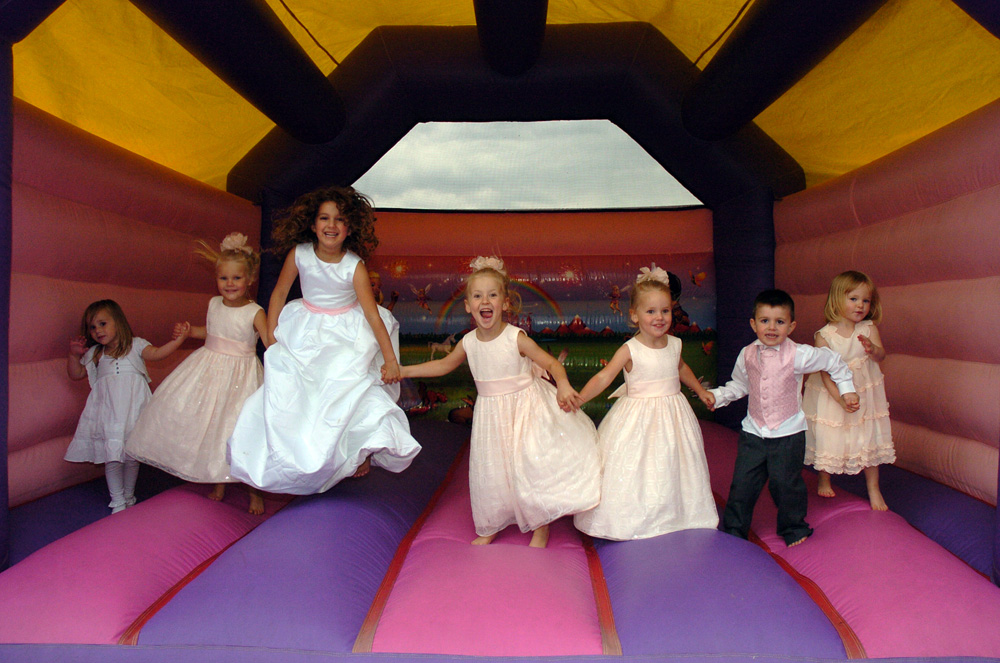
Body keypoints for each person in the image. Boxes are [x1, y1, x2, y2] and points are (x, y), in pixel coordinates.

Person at [228, 186, 419, 494]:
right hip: (306, 330)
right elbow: (279, 292)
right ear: (312, 224)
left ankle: (359, 449)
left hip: (345, 334)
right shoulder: (300, 254)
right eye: (324, 218)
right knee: (303, 394)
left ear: (350, 228)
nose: (331, 225)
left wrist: (390, 360)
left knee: (348, 391)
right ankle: (298, 454)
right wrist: (272, 336)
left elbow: (372, 316)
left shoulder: (354, 266)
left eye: (340, 219)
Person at [400, 257, 601, 548]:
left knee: (529, 465)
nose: (485, 301)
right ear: (468, 305)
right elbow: (443, 365)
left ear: (505, 303)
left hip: (526, 410)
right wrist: (404, 371)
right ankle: (492, 522)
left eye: (492, 295)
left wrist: (564, 385)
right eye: (477, 296)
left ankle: (540, 526)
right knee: (492, 470)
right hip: (491, 415)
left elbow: (551, 364)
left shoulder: (515, 338)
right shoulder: (469, 342)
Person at [126, 233, 270, 514]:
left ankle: (255, 491)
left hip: (241, 377)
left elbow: (268, 340)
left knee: (239, 430)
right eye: (224, 278)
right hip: (209, 370)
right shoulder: (214, 304)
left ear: (250, 279)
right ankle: (216, 480)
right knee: (213, 426)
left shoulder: (255, 312)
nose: (230, 284)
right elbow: (213, 332)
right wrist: (191, 331)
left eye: (236, 278)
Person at [573, 265, 719, 540]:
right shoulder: (630, 349)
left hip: (673, 415)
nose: (659, 317)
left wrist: (700, 390)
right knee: (639, 466)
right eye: (650, 311)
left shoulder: (674, 344)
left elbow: (681, 368)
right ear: (634, 315)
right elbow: (605, 376)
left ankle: (676, 513)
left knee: (673, 462)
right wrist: (579, 399)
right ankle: (637, 515)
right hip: (638, 418)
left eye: (665, 311)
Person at [705, 289, 858, 546]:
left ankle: (794, 528)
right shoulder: (747, 354)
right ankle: (734, 530)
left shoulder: (799, 355)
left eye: (780, 321)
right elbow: (740, 385)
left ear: (791, 326)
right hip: (753, 432)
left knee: (786, 485)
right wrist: (717, 396)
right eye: (764, 321)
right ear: (753, 324)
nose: (771, 327)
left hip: (788, 433)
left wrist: (847, 389)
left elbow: (833, 361)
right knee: (743, 484)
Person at [65, 300, 187, 513]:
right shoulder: (96, 353)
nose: (97, 331)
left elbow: (157, 353)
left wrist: (178, 341)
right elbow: (76, 374)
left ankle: (129, 496)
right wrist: (74, 356)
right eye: (92, 327)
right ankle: (118, 501)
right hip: (110, 412)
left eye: (103, 324)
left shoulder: (135, 345)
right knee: (112, 457)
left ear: (118, 322)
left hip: (133, 410)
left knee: (131, 457)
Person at [803, 270, 894, 510]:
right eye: (853, 299)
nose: (860, 305)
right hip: (832, 393)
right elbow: (825, 374)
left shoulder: (868, 328)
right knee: (830, 434)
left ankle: (873, 488)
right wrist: (840, 399)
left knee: (868, 436)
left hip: (864, 392)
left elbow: (881, 355)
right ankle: (824, 477)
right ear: (837, 300)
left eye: (866, 300)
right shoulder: (825, 336)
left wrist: (872, 349)